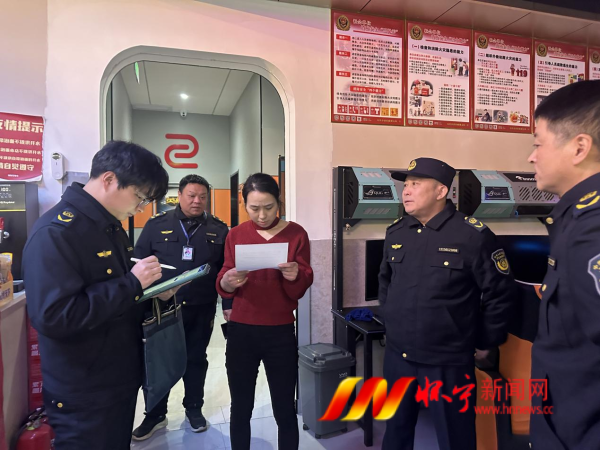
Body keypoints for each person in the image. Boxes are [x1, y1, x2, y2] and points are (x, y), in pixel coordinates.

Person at [22, 141, 169, 450]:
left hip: (116, 378)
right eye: (140, 197)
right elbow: (55, 317)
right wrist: (133, 284)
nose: (142, 207)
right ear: (109, 179)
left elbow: (117, 299)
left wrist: (154, 293)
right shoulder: (57, 232)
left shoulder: (109, 227)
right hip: (85, 390)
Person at [378, 157, 515, 450]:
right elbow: (386, 282)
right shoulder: (397, 232)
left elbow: (500, 292)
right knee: (396, 432)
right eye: (406, 184)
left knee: (455, 436)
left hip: (448, 360)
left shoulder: (472, 235)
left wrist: (486, 340)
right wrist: (390, 319)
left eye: (416, 184)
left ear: (441, 191)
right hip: (399, 356)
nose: (406, 191)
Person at [216, 173, 313, 450]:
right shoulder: (235, 234)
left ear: (279, 202)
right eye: (254, 208)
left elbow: (300, 287)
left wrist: (296, 276)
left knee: (284, 407)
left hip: (280, 332)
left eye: (269, 207)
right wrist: (227, 282)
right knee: (241, 406)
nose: (261, 215)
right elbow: (224, 279)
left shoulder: (296, 234)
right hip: (241, 331)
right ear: (244, 204)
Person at [528, 80, 600, 449]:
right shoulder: (575, 219)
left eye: (538, 143)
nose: (532, 157)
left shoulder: (591, 229)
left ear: (579, 147)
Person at [132, 174, 229, 439]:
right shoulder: (156, 224)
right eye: (191, 195)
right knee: (158, 360)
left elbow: (225, 270)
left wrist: (228, 304)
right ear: (180, 196)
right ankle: (155, 414)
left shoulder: (219, 229)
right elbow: (138, 262)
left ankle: (194, 408)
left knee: (196, 358)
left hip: (201, 307)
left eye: (203, 197)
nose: (197, 201)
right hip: (162, 307)